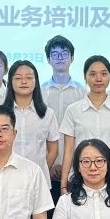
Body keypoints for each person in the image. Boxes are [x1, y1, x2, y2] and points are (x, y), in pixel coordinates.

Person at [60, 55, 110, 193]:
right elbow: (68, 150)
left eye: (103, 74)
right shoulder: (73, 110)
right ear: (85, 77)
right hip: (80, 177)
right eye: (92, 74)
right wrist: (63, 184)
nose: (98, 79)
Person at [4, 60, 59, 198]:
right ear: (10, 82)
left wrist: (39, 170)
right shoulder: (1, 113)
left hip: (38, 181)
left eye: (29, 78)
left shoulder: (47, 114)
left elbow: (53, 149)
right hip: (6, 178)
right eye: (18, 78)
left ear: (36, 82)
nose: (24, 82)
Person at [41, 35, 87, 192]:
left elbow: (82, 131)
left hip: (76, 168)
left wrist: (71, 165)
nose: (60, 57)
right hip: (46, 165)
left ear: (72, 58)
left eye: (64, 53)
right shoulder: (40, 92)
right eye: (55, 54)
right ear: (48, 59)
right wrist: (50, 163)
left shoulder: (82, 92)